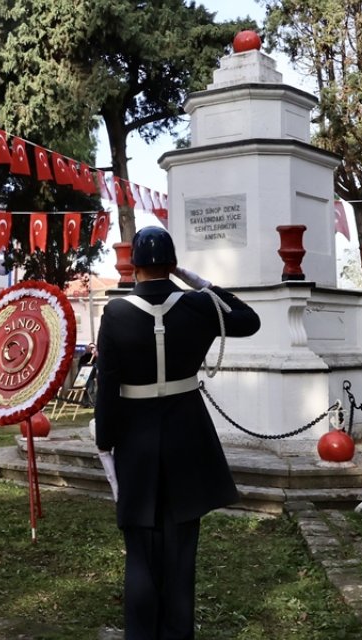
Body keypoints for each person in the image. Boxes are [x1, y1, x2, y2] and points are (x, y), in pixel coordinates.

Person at [93, 227, 261, 639]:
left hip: (136, 437)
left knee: (140, 550)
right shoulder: (200, 305)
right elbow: (249, 321)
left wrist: (105, 442)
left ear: (134, 266)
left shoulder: (115, 313)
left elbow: (108, 386)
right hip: (188, 434)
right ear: (172, 265)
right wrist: (203, 284)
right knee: (182, 549)